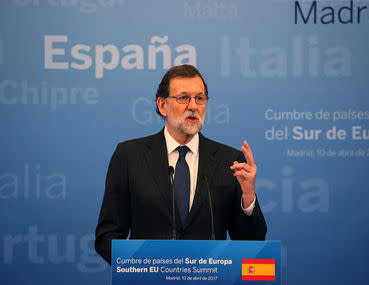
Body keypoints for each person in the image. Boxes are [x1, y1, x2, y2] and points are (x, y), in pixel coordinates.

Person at [95, 65, 267, 265]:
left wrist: (247, 197)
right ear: (162, 105)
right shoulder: (129, 156)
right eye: (184, 98)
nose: (193, 106)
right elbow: (107, 237)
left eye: (200, 98)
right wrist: (141, 268)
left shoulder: (229, 160)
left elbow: (252, 243)